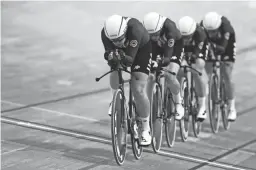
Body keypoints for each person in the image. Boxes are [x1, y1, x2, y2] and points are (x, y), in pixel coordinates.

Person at [101, 14, 152, 145]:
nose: (117, 42)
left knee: (138, 89)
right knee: (114, 68)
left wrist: (118, 55)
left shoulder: (135, 30)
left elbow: (129, 61)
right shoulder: (105, 34)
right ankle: (114, 100)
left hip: (141, 51)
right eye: (114, 41)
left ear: (125, 32)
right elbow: (108, 53)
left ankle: (146, 128)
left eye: (120, 39)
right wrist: (111, 56)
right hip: (124, 52)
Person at [143, 12, 184, 120]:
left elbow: (167, 58)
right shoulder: (147, 33)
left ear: (161, 28)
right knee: (150, 75)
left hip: (174, 48)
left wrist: (161, 62)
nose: (154, 37)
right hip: (157, 47)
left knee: (170, 75)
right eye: (151, 35)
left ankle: (178, 102)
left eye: (156, 34)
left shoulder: (170, 29)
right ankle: (150, 103)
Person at [201, 12, 237, 121]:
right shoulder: (202, 27)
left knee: (226, 73)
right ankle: (215, 103)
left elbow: (223, 47)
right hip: (212, 45)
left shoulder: (227, 28)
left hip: (227, 45)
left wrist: (219, 54)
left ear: (218, 27)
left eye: (213, 32)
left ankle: (231, 107)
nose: (211, 34)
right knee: (209, 73)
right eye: (209, 32)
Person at [177, 16, 209, 121]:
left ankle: (202, 106)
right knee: (179, 69)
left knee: (197, 67)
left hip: (198, 49)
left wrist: (193, 57)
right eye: (183, 37)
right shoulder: (176, 33)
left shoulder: (200, 33)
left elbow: (198, 52)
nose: (186, 39)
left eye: (188, 37)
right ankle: (179, 99)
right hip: (183, 49)